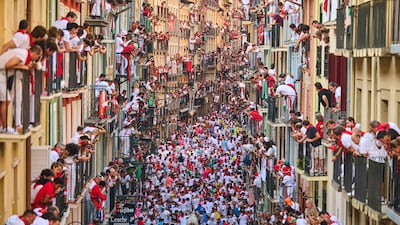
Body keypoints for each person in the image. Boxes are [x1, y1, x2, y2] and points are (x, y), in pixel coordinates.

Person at [0, 46, 43, 133]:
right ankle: (4, 127)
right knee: (5, 101)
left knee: (5, 101)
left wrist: (25, 66)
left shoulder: (23, 54)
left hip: (3, 76)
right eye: (38, 57)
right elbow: (8, 65)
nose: (37, 59)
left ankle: (2, 126)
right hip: (1, 75)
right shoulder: (23, 54)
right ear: (35, 53)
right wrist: (23, 67)